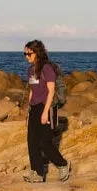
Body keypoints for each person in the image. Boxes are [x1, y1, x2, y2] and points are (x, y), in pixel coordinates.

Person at [23, 40, 71, 183]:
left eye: (28, 53)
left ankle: (63, 164)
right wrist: (29, 109)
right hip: (34, 108)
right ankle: (37, 173)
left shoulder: (47, 69)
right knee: (32, 141)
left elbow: (50, 92)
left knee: (44, 142)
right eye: (24, 53)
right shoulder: (31, 70)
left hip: (47, 107)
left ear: (36, 53)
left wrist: (45, 112)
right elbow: (32, 91)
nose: (26, 56)